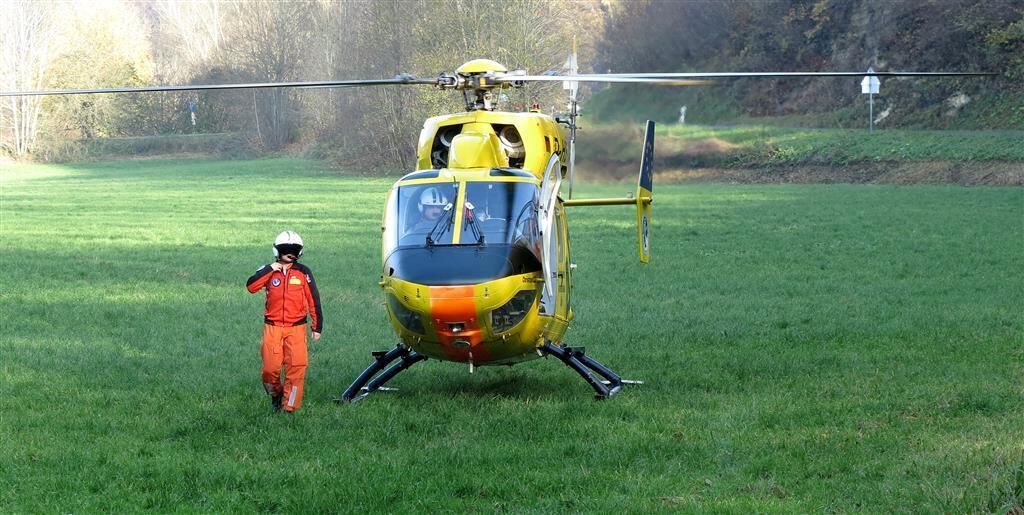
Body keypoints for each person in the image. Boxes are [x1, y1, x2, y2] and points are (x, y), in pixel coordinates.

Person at [246, 230, 323, 414]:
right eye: (286, 249)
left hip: (296, 330)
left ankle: (289, 408)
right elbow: (251, 286)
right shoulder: (268, 271)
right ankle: (276, 395)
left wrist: (317, 325)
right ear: (277, 250)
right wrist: (271, 268)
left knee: (296, 369)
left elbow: (314, 299)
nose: (291, 253)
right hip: (272, 328)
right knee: (269, 370)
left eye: (294, 250)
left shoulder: (304, 272)